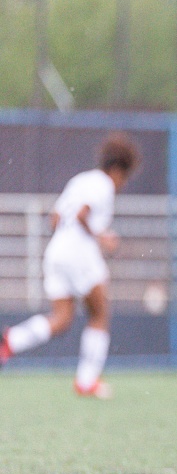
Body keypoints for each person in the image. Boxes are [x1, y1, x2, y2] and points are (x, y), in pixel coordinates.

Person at [0, 132, 140, 399]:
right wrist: (102, 237)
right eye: (124, 177)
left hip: (57, 251)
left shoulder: (80, 180)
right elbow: (81, 214)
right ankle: (87, 381)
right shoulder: (104, 185)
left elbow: (55, 218)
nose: (122, 184)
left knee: (62, 319)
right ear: (118, 169)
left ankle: (10, 341)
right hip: (79, 254)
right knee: (99, 314)